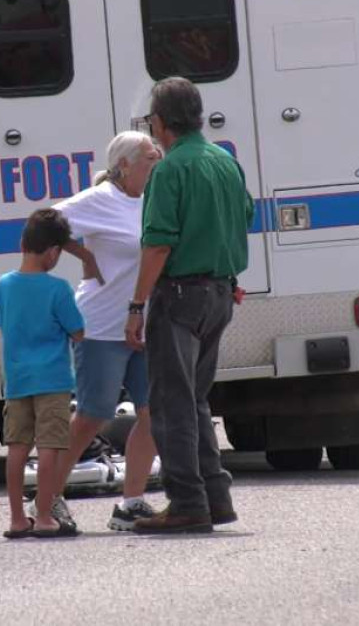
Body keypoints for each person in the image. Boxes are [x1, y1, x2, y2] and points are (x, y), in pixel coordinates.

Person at [125, 77, 253, 534]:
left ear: (160, 122)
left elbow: (158, 245)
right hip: (220, 293)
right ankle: (214, 497)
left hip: (179, 297)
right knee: (195, 400)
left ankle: (187, 503)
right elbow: (246, 217)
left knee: (170, 404)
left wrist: (137, 306)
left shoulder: (169, 168)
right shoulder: (225, 161)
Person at [45, 131, 163, 531]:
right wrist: (83, 254)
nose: (157, 163)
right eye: (150, 158)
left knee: (153, 413)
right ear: (125, 165)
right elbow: (42, 224)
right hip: (102, 326)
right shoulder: (100, 200)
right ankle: (48, 501)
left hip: (145, 327)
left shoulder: (153, 199)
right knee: (93, 416)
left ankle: (131, 503)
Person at [0, 208, 85, 539]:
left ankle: (17, 519)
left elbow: (2, 323)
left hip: (17, 381)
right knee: (50, 446)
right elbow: (77, 332)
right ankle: (44, 515)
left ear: (22, 243)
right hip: (53, 380)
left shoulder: (4, 285)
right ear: (53, 252)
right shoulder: (58, 289)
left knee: (17, 447)